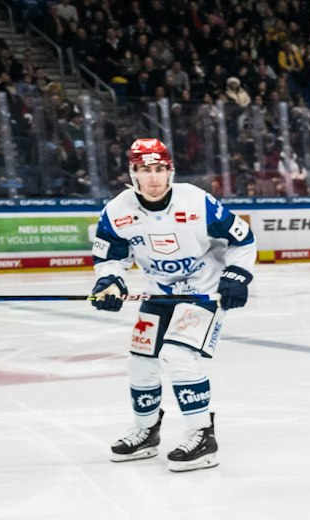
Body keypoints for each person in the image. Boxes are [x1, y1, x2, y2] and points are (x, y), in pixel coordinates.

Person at [90, 138, 256, 471]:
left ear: (170, 171)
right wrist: (109, 281)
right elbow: (110, 256)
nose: (153, 178)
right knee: (141, 360)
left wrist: (238, 274)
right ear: (132, 173)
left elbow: (242, 238)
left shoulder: (197, 201)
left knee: (178, 354)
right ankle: (146, 431)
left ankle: (202, 435)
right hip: (158, 293)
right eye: (144, 170)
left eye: (159, 169)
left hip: (203, 291)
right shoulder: (117, 211)